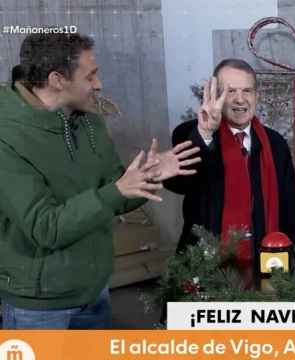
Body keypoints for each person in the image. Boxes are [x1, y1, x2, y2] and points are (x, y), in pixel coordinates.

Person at [0, 32, 200, 329]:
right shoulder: (8, 136)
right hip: (39, 307)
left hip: (95, 293)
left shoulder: (89, 121)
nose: (99, 84)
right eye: (90, 75)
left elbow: (117, 195)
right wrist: (116, 191)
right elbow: (45, 227)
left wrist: (149, 176)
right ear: (57, 80)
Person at [163, 58, 295, 289]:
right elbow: (177, 183)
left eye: (247, 91)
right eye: (230, 91)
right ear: (215, 96)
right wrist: (205, 132)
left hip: (265, 265)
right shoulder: (191, 134)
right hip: (206, 270)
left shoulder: (275, 144)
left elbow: (289, 209)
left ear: (256, 95)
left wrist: (292, 256)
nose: (240, 99)